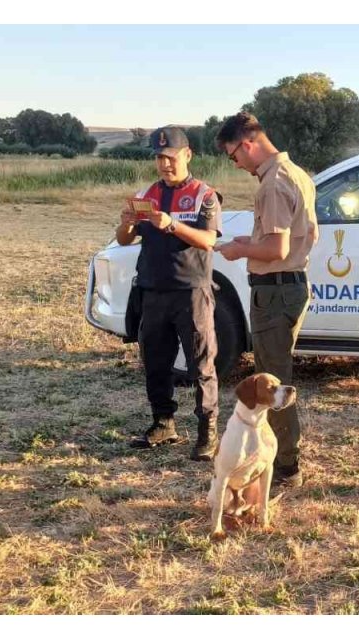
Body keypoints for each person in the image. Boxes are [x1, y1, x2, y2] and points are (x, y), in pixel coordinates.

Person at [214, 112, 317, 489]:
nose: (236, 164)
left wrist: (241, 253)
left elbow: (276, 247)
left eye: (233, 156)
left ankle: (285, 467)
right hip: (287, 285)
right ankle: (281, 459)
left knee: (274, 381)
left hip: (274, 290)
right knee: (277, 372)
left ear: (247, 143)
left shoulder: (273, 183)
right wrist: (247, 245)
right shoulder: (297, 174)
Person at [116, 126, 223, 460]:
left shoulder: (205, 194)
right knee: (155, 363)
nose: (164, 164)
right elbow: (123, 240)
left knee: (201, 364)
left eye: (170, 157)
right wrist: (126, 223)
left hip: (190, 292)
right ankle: (163, 422)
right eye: (159, 158)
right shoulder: (147, 193)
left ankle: (208, 432)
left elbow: (209, 241)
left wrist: (172, 224)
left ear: (187, 155)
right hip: (152, 291)